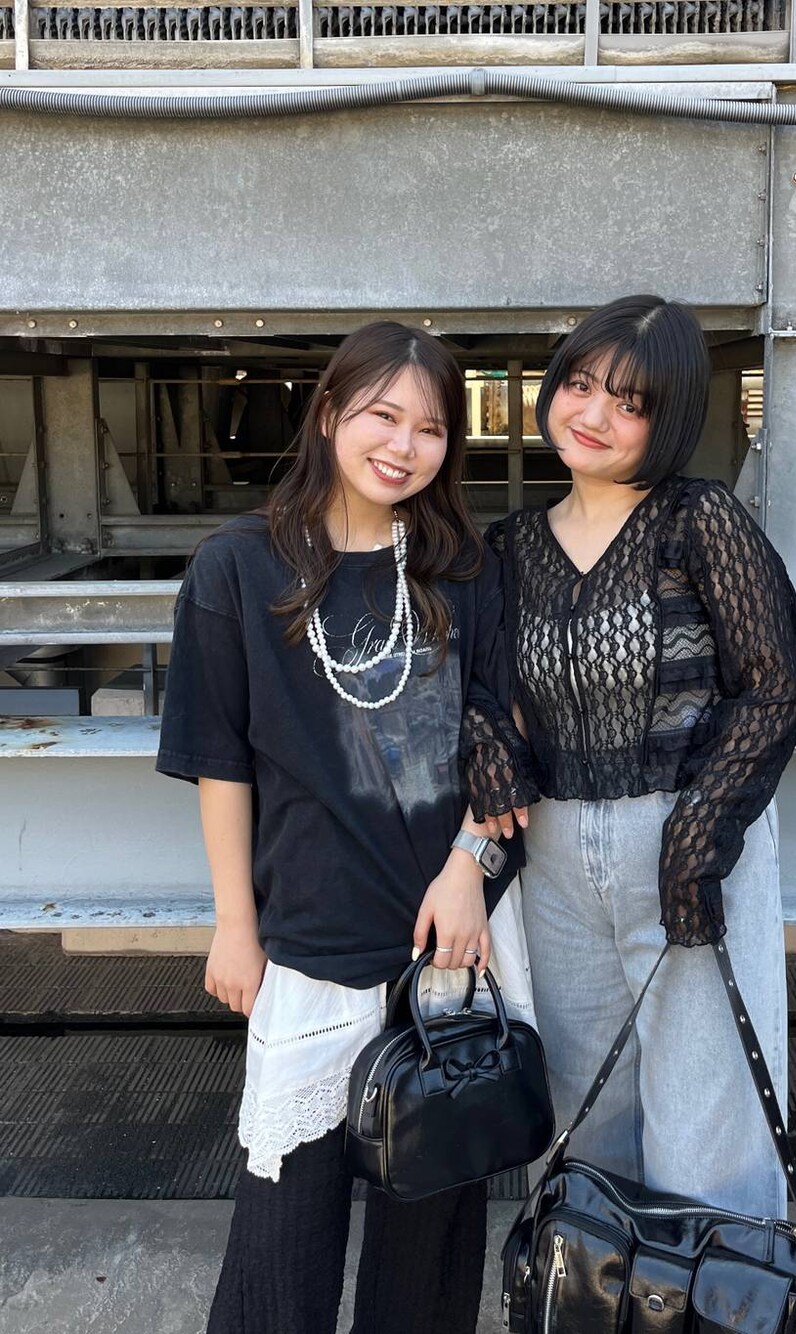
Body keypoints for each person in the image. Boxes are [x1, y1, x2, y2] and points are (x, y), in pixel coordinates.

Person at [156, 321, 537, 1334]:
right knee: (283, 1228)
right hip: (311, 933)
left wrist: (470, 865)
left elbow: (504, 732)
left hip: (446, 939)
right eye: (382, 415)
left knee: (430, 1233)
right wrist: (234, 924)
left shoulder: (463, 567)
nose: (404, 445)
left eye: (431, 427)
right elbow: (220, 760)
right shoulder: (237, 566)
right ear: (328, 414)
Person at [478, 294, 796, 1220]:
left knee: (707, 1114)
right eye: (581, 384)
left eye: (630, 403)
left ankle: (714, 1283)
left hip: (688, 838)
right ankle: (586, 1285)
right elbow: (481, 687)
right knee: (582, 1112)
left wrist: (701, 834)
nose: (594, 414)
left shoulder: (699, 521)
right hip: (553, 856)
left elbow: (772, 685)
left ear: (669, 421)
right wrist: (488, 745)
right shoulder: (510, 545)